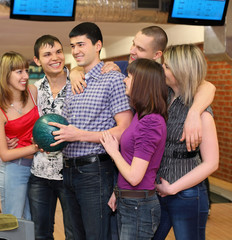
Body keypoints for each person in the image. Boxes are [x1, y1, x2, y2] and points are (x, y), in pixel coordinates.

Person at [70, 25, 216, 152]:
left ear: (157, 55)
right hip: (119, 148)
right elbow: (90, 66)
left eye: (139, 48)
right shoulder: (119, 68)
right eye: (133, 44)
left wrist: (194, 113)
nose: (132, 51)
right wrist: (75, 72)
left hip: (148, 149)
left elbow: (207, 86)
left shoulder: (162, 75)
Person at [49, 22, 133, 240]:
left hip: (94, 172)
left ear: (98, 45)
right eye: (72, 46)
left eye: (81, 44)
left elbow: (124, 130)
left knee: (97, 236)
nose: (75, 50)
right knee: (74, 236)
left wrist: (79, 135)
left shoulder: (112, 79)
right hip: (67, 171)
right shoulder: (73, 81)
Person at [153, 44, 219, 240]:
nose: (162, 69)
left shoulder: (202, 113)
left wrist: (173, 188)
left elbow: (211, 163)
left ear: (182, 71)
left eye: (167, 66)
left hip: (187, 194)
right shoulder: (165, 97)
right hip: (159, 190)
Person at [101, 58, 168, 239]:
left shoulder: (151, 122)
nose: (124, 79)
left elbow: (134, 176)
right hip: (130, 201)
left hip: (139, 206)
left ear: (142, 83)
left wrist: (113, 152)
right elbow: (130, 162)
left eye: (129, 76)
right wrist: (118, 191)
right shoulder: (141, 116)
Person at [27, 35, 73, 240]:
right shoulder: (33, 90)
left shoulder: (79, 83)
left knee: (74, 232)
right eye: (47, 54)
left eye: (58, 52)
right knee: (41, 234)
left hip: (71, 173)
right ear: (37, 60)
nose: (55, 58)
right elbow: (26, 125)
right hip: (40, 173)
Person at [0, 51, 39, 220]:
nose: (25, 76)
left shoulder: (33, 91)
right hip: (15, 169)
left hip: (39, 168)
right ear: (6, 75)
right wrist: (35, 147)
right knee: (16, 224)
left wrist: (75, 72)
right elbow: (4, 154)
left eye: (26, 70)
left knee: (35, 224)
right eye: (19, 72)